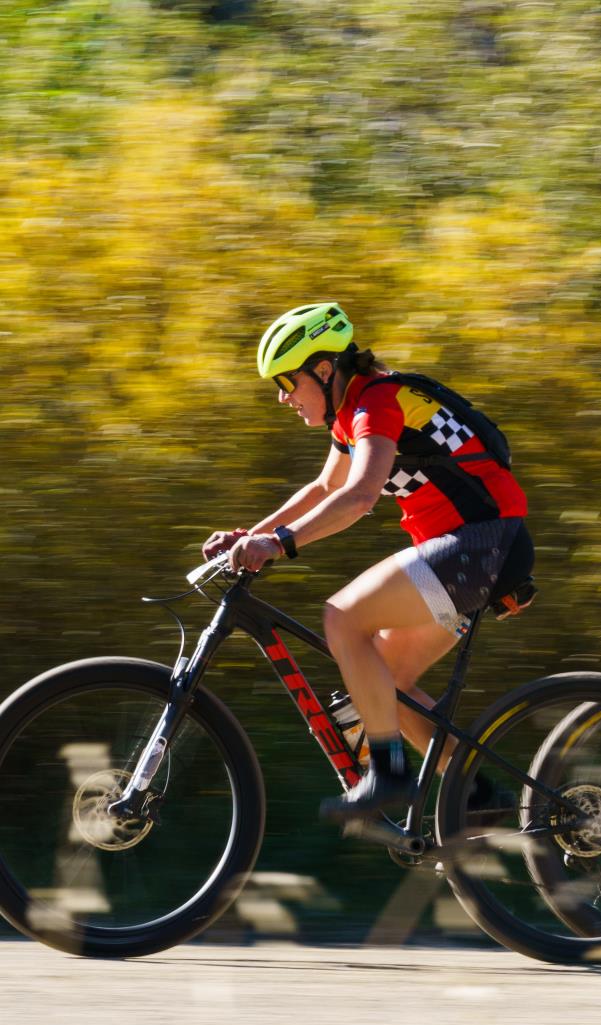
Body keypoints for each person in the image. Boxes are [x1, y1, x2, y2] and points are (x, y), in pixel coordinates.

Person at [203, 302, 534, 821]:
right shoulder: (354, 412)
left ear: (323, 370)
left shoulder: (378, 402)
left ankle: (389, 773)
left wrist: (280, 544)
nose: (283, 397)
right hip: (479, 552)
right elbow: (324, 487)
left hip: (478, 544)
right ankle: (478, 800)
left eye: (288, 383)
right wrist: (252, 535)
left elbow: (358, 497)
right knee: (387, 688)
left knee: (342, 617)